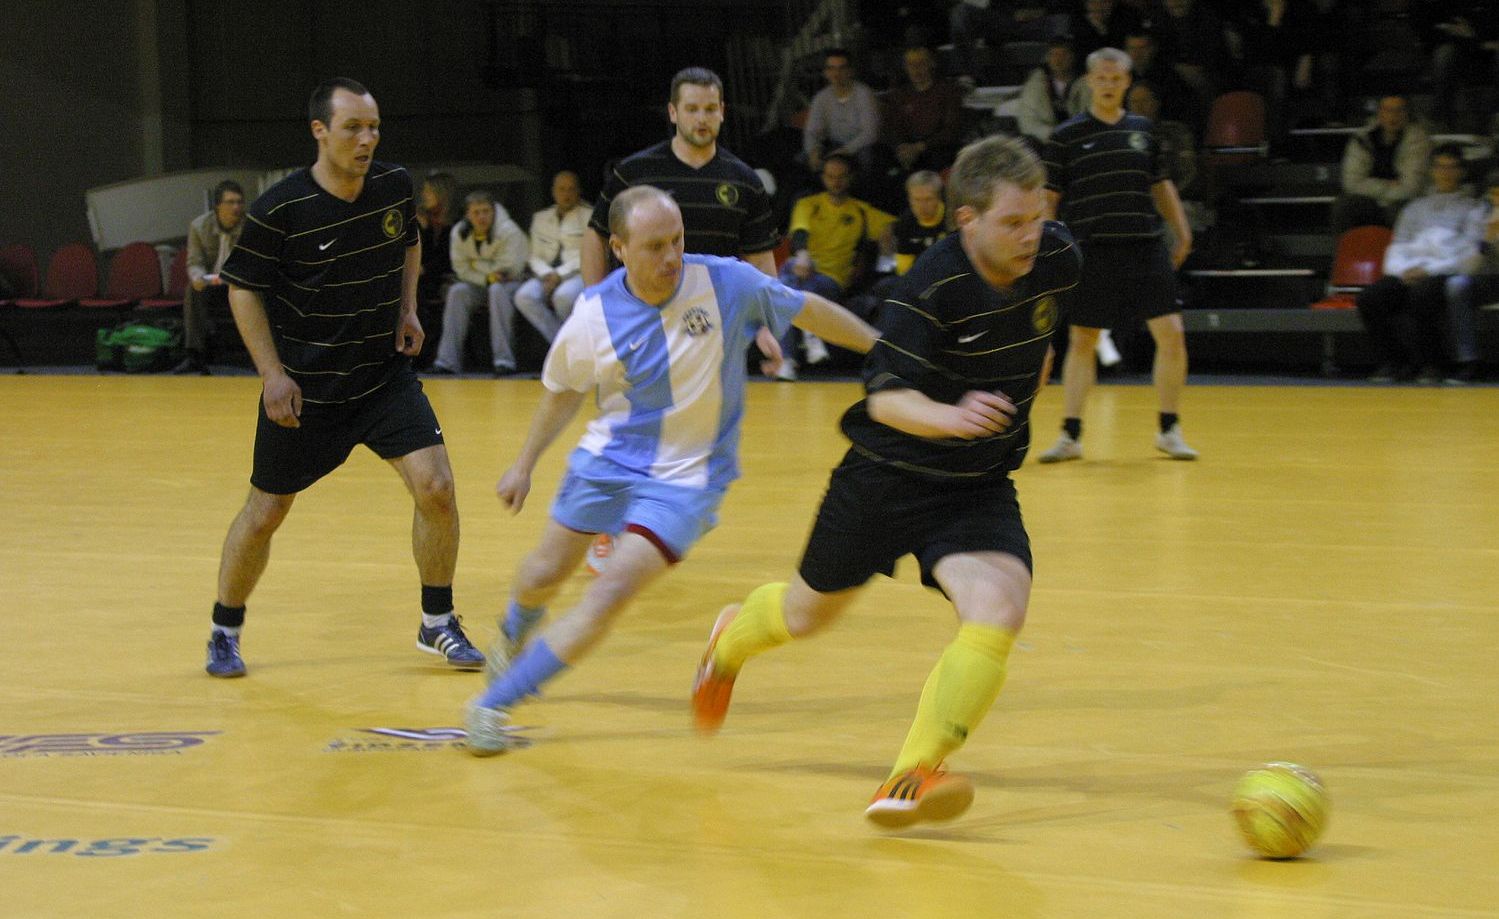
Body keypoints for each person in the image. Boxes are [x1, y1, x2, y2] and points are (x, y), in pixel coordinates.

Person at [690, 135, 1082, 828]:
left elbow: (1042, 333)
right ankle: (729, 640)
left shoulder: (1055, 257)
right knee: (807, 615)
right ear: (967, 220)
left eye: (1038, 217)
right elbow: (884, 401)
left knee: (998, 609)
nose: (1031, 235)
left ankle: (912, 774)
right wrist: (953, 416)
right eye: (1013, 222)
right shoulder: (928, 287)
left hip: (976, 483)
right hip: (886, 477)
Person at [463, 186, 879, 755]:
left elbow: (806, 309)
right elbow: (563, 392)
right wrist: (523, 464)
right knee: (542, 574)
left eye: (677, 240)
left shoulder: (725, 282)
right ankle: (513, 633)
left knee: (608, 593)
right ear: (619, 248)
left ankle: (492, 705)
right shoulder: (594, 314)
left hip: (688, 478)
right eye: (654, 246)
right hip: (609, 460)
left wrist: (882, 349)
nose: (671, 257)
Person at [205, 77, 482, 677]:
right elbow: (242, 289)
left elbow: (409, 242)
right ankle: (225, 630)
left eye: (373, 127)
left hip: (382, 378)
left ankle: (437, 622)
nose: (366, 139)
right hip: (308, 391)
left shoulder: (393, 184)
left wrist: (408, 308)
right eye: (353, 128)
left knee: (436, 487)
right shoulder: (280, 209)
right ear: (320, 131)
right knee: (266, 511)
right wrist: (272, 375)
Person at [1038, 46, 1196, 463]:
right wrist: (1050, 246)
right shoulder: (1066, 136)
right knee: (1083, 340)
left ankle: (1169, 429)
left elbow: (1161, 186)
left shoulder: (1145, 131)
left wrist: (1182, 231)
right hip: (1091, 250)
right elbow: (1049, 199)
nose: (1108, 84)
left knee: (1172, 334)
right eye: (1101, 78)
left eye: (1116, 78)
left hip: (1144, 245)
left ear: (1127, 82)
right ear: (1089, 81)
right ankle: (1071, 434)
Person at [1356, 145, 1487, 383]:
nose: (1445, 173)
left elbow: (1468, 253)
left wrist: (1427, 271)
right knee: (1370, 298)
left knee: (1422, 296)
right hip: (1408, 270)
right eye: (1440, 167)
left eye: (1451, 167)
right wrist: (1402, 271)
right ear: (1432, 171)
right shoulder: (1415, 208)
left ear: (1461, 171)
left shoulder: (1473, 208)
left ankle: (1433, 363)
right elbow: (1398, 245)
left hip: (1445, 270)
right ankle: (1396, 362)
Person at [780, 155, 896, 376]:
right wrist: (803, 255)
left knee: (786, 285)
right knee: (789, 276)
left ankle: (789, 357)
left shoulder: (861, 211)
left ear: (851, 178)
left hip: (832, 281)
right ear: (823, 177)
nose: (836, 182)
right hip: (803, 268)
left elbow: (897, 224)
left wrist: (889, 234)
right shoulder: (808, 204)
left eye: (841, 177)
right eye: (830, 176)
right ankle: (809, 337)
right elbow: (800, 231)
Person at [431, 189, 529, 376]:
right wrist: (487, 276)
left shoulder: (509, 230)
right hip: (480, 282)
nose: (481, 217)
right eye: (476, 212)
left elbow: (509, 268)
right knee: (457, 291)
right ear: (468, 215)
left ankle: (504, 361)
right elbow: (461, 269)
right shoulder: (459, 232)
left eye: (486, 211)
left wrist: (476, 264)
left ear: (494, 211)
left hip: (513, 282)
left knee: (497, 291)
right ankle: (447, 362)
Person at [1330, 95, 1432, 236]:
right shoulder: (1363, 138)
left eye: (1399, 110)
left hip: (1403, 201)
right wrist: (1388, 185)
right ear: (1379, 113)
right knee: (1344, 206)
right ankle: (1345, 250)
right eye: (1388, 110)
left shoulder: (1419, 140)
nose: (1393, 116)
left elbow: (1411, 187)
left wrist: (1372, 185)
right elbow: (1351, 182)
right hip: (1371, 200)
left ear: (1407, 113)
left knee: (1398, 212)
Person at [174, 180, 245, 375]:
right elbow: (194, 261)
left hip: (241, 283)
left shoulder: (250, 226)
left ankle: (261, 354)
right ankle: (194, 355)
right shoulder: (199, 226)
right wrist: (197, 277)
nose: (236, 207)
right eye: (230, 202)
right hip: (212, 283)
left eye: (239, 202)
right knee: (192, 291)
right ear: (218, 206)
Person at [513, 170, 588, 344]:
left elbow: (587, 253)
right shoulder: (540, 218)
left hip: (577, 274)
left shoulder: (589, 216)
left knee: (563, 297)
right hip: (545, 274)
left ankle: (575, 344)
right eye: (562, 189)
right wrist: (548, 274)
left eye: (571, 189)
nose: (566, 194)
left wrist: (559, 275)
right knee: (523, 296)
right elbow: (533, 255)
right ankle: (562, 343)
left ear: (578, 191)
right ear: (554, 192)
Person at [1443, 169, 1499, 383]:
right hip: (1486, 278)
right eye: (1494, 194)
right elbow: (1467, 267)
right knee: (1457, 285)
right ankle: (1468, 361)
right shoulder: (1478, 216)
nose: (1497, 199)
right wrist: (1486, 240)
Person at [802, 49, 881, 178]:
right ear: (825, 72)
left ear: (850, 71)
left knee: (865, 158)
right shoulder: (821, 98)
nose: (836, 74)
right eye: (831, 68)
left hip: (859, 147)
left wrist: (844, 152)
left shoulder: (864, 94)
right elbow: (812, 131)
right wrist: (813, 151)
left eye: (842, 68)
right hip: (833, 145)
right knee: (802, 160)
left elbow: (870, 133)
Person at [1017, 36, 1091, 148]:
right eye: (1054, 55)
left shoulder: (1086, 85)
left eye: (1063, 55)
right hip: (1046, 143)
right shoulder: (1036, 85)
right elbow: (1027, 121)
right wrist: (1053, 135)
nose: (1058, 60)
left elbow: (1092, 117)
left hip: (1079, 142)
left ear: (1072, 57)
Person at [414, 171, 457, 307]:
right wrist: (425, 229)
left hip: (444, 276)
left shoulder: (455, 224)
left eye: (429, 191)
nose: (423, 194)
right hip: (422, 275)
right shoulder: (420, 217)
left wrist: (425, 269)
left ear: (441, 194)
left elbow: (447, 259)